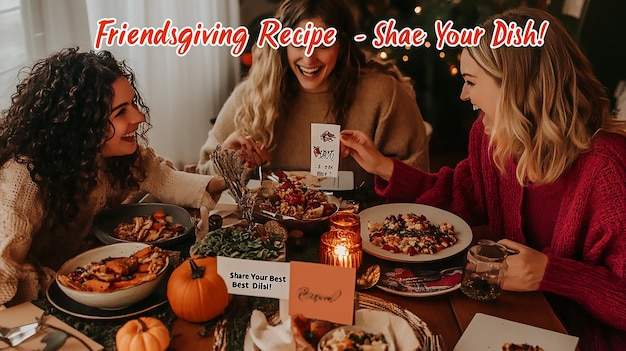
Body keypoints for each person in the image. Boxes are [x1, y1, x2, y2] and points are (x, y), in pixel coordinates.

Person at [339, 7, 626, 351]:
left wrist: (552, 273)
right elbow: (461, 198)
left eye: (471, 82)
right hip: (511, 319)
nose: (463, 95)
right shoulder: (492, 138)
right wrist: (384, 167)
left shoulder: (607, 169)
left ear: (518, 86)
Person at [0, 48, 226, 307]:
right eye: (121, 112)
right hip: (46, 302)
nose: (139, 117)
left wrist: (224, 180)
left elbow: (163, 180)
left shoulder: (111, 154)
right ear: (80, 124)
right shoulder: (24, 179)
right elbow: (4, 278)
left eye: (134, 104)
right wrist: (68, 283)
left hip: (98, 279)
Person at [196, 0, 430, 195]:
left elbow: (423, 183)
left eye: (322, 44)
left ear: (342, 45)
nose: (309, 58)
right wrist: (226, 161)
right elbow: (200, 180)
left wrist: (380, 165)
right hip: (268, 234)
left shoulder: (383, 93)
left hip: (357, 232)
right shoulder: (252, 95)